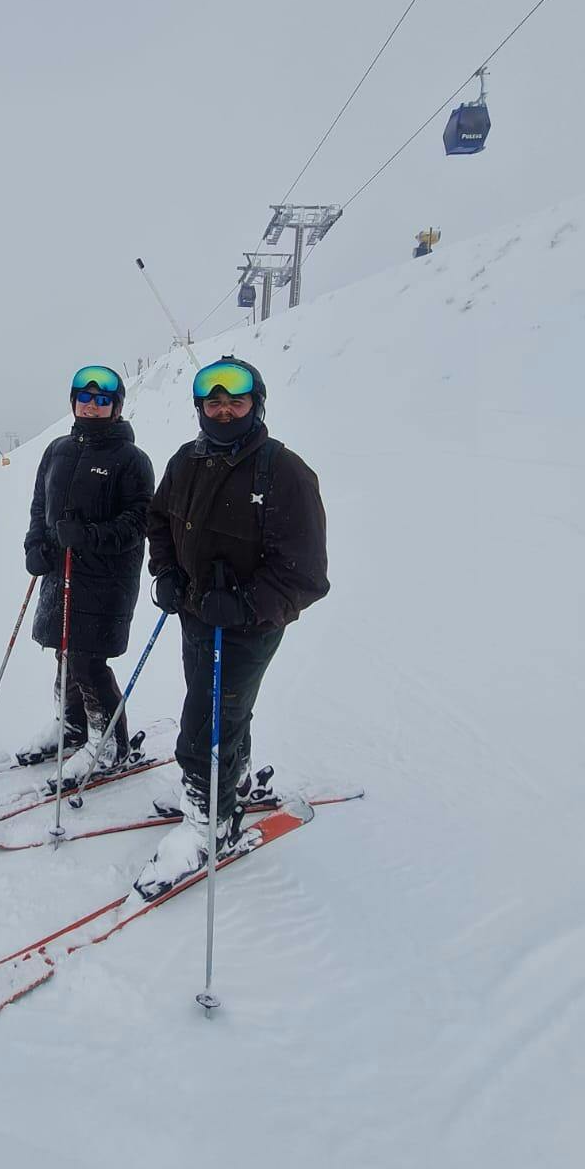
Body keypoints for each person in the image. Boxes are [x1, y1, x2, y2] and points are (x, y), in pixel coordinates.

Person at [133, 357, 329, 898]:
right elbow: (159, 521)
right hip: (196, 615)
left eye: (235, 402)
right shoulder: (186, 460)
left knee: (207, 721)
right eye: (213, 403)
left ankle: (209, 823)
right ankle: (230, 782)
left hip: (249, 626)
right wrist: (167, 572)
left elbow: (307, 575)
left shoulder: (283, 472)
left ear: (255, 406)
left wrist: (243, 605)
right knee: (215, 703)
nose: (223, 411)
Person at [19, 365, 154, 770]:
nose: (92, 406)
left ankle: (110, 744)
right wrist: (35, 544)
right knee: (64, 652)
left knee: (87, 660)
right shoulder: (57, 450)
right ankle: (73, 725)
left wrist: (89, 535)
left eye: (102, 400)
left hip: (105, 577)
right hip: (59, 571)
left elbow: (140, 521)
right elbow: (40, 505)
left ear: (116, 407)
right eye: (85, 398)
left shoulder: (131, 459)